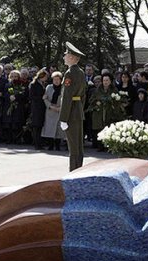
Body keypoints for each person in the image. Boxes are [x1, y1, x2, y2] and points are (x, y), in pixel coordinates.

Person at [59, 42, 86, 172]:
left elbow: (67, 97)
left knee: (73, 146)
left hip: (71, 113)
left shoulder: (69, 73)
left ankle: (74, 171)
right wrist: (80, 108)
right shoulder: (80, 72)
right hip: (78, 110)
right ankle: (78, 170)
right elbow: (83, 95)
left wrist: (63, 118)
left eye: (66, 55)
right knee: (78, 144)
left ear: (71, 57)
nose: (64, 57)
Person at [89, 73, 118, 150]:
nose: (105, 82)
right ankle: (100, 145)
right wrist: (96, 102)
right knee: (99, 129)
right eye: (104, 80)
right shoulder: (97, 90)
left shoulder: (114, 89)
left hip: (109, 112)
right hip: (99, 112)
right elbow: (91, 100)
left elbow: (117, 100)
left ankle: (109, 145)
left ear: (110, 81)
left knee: (109, 128)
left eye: (107, 80)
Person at [42, 71, 65, 151]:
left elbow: (65, 99)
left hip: (60, 110)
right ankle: (51, 145)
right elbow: (45, 98)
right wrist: (50, 106)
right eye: (54, 79)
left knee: (59, 129)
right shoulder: (49, 87)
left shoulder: (64, 88)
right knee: (50, 128)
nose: (56, 81)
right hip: (50, 110)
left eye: (58, 79)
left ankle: (58, 145)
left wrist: (60, 108)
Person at [29, 69, 48, 150]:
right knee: (36, 126)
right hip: (36, 107)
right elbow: (31, 96)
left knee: (40, 125)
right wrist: (41, 98)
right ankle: (37, 143)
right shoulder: (34, 84)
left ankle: (39, 142)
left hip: (41, 107)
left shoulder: (43, 84)